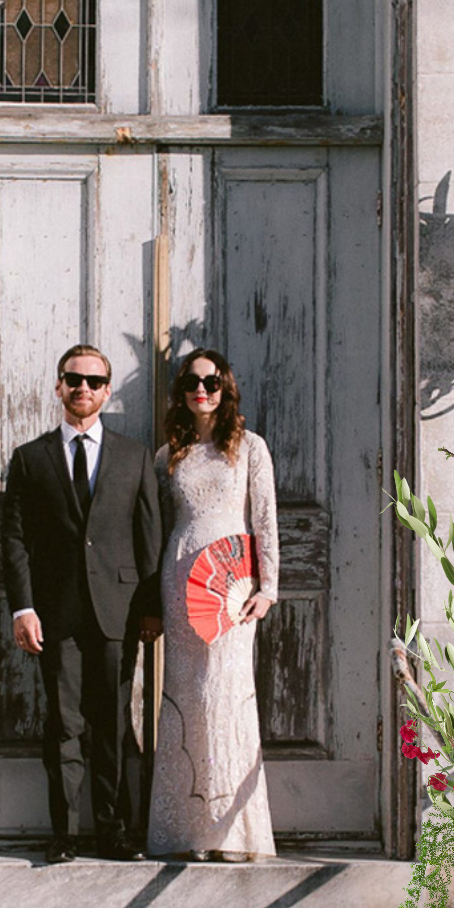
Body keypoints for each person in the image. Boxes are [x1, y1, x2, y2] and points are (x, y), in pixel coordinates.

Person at [0, 343, 163, 863]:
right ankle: (65, 834)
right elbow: (15, 539)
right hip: (56, 613)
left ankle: (114, 831)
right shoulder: (30, 459)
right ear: (59, 386)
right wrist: (23, 608)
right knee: (64, 724)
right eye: (74, 379)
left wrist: (152, 607)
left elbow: (149, 537)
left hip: (119, 610)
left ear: (107, 391)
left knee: (113, 723)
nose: (83, 388)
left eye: (94, 381)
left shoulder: (135, 456)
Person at [146, 348, 277, 862]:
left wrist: (268, 587)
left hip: (233, 587)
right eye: (192, 382)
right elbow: (154, 526)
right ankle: (187, 829)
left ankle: (230, 832)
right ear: (181, 392)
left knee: (226, 693)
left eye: (212, 381)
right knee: (186, 694)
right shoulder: (168, 455)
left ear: (226, 388)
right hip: (180, 580)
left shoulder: (249, 447)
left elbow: (264, 519)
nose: (202, 390)